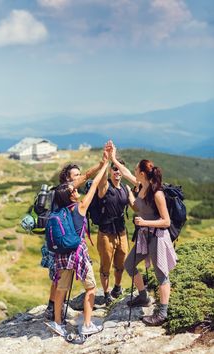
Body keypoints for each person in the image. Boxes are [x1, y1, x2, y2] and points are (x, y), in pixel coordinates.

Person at [109, 142, 178, 326]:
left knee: (161, 274)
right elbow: (123, 172)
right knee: (129, 264)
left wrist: (144, 222)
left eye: (136, 168)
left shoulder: (157, 194)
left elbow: (166, 221)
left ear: (142, 173)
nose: (133, 169)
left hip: (157, 237)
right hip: (144, 237)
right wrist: (113, 157)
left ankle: (162, 313)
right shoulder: (141, 186)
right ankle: (143, 297)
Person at [45, 157, 109, 337]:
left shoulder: (61, 210)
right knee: (90, 287)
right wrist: (105, 165)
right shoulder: (80, 207)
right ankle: (87, 324)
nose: (76, 190)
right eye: (74, 190)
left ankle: (57, 323)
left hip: (63, 254)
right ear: (71, 195)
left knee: (61, 288)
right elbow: (94, 184)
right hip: (78, 253)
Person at [97, 149, 129, 306]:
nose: (117, 172)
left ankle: (117, 287)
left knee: (121, 261)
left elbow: (136, 206)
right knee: (106, 263)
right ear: (110, 171)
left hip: (121, 231)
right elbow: (101, 180)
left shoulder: (126, 189)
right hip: (106, 233)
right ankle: (106, 293)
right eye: (114, 169)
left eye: (119, 169)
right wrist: (106, 161)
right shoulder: (105, 187)